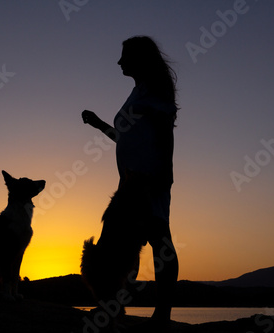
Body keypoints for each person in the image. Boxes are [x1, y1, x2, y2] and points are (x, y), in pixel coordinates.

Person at [82, 36, 179, 330]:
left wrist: (163, 174)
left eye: (125, 56)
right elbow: (127, 138)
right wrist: (100, 125)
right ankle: (113, 307)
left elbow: (165, 134)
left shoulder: (156, 90)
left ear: (140, 59)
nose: (119, 62)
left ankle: (162, 315)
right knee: (116, 246)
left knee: (159, 240)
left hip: (150, 178)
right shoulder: (137, 92)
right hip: (128, 183)